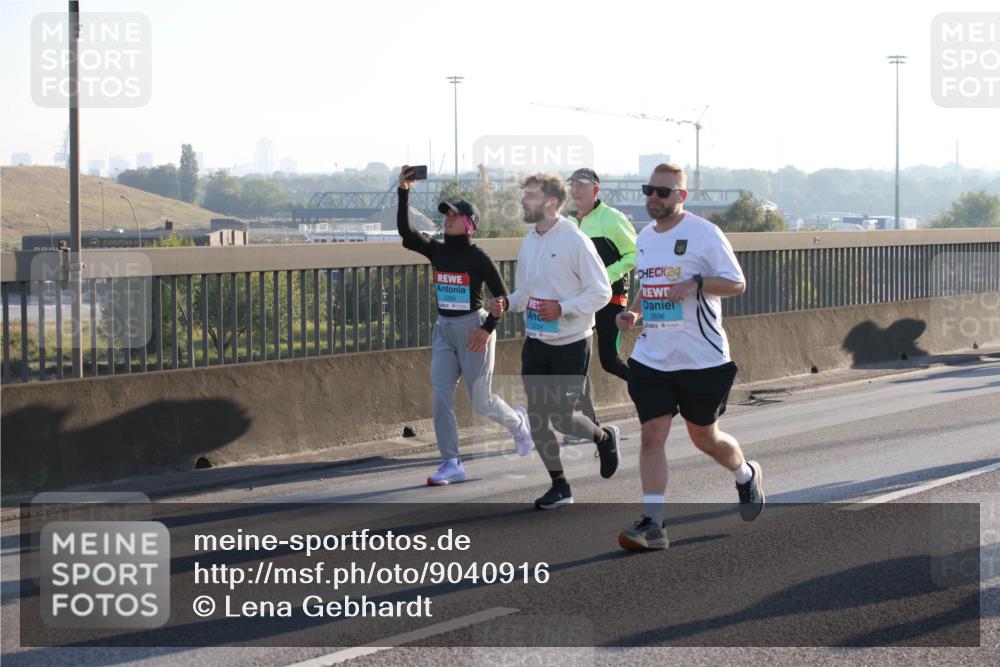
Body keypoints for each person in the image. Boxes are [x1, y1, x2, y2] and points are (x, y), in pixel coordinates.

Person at [616, 163, 763, 550]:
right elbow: (650, 285)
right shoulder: (644, 236)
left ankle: (746, 474)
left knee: (704, 437)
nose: (653, 197)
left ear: (681, 196)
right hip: (653, 357)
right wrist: (634, 312)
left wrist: (696, 282)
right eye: (649, 189)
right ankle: (654, 523)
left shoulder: (704, 233)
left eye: (663, 192)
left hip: (702, 359)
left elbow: (737, 283)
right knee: (653, 434)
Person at [396, 165, 533, 486]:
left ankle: (517, 424)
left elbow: (501, 298)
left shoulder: (478, 258)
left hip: (475, 330)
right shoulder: (437, 250)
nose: (447, 218)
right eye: (446, 214)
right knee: (441, 398)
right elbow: (405, 233)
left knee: (481, 401)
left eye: (454, 215)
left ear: (469, 224)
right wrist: (404, 191)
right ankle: (451, 463)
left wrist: (487, 330)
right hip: (444, 330)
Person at [490, 173, 620, 509]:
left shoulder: (575, 241)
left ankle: (604, 437)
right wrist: (508, 302)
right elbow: (526, 290)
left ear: (551, 202)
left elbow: (602, 292)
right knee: (536, 417)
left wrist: (562, 308)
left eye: (530, 195)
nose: (523, 201)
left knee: (562, 419)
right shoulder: (530, 240)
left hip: (571, 343)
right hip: (536, 342)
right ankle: (560, 485)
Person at [563, 168, 637, 441]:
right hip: (580, 301)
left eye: (582, 185)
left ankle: (651, 395)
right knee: (577, 362)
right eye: (573, 185)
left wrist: (605, 276)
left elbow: (635, 254)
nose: (576, 190)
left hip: (610, 298)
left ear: (596, 190)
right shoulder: (569, 222)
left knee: (609, 361)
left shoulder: (611, 218)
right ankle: (589, 425)